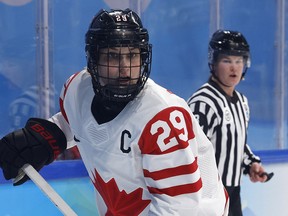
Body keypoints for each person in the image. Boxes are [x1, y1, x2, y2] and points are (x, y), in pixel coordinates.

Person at [0, 9, 228, 215]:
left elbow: (183, 208)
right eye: (112, 56)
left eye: (132, 55)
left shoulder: (163, 118)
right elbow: (77, 125)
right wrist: (47, 138)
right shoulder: (77, 89)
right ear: (93, 61)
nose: (125, 69)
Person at [187, 30, 271, 216]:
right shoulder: (203, 102)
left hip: (233, 192)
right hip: (207, 196)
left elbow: (236, 142)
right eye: (227, 60)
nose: (234, 67)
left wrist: (251, 164)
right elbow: (192, 151)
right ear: (214, 63)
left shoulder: (242, 101)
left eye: (239, 60)